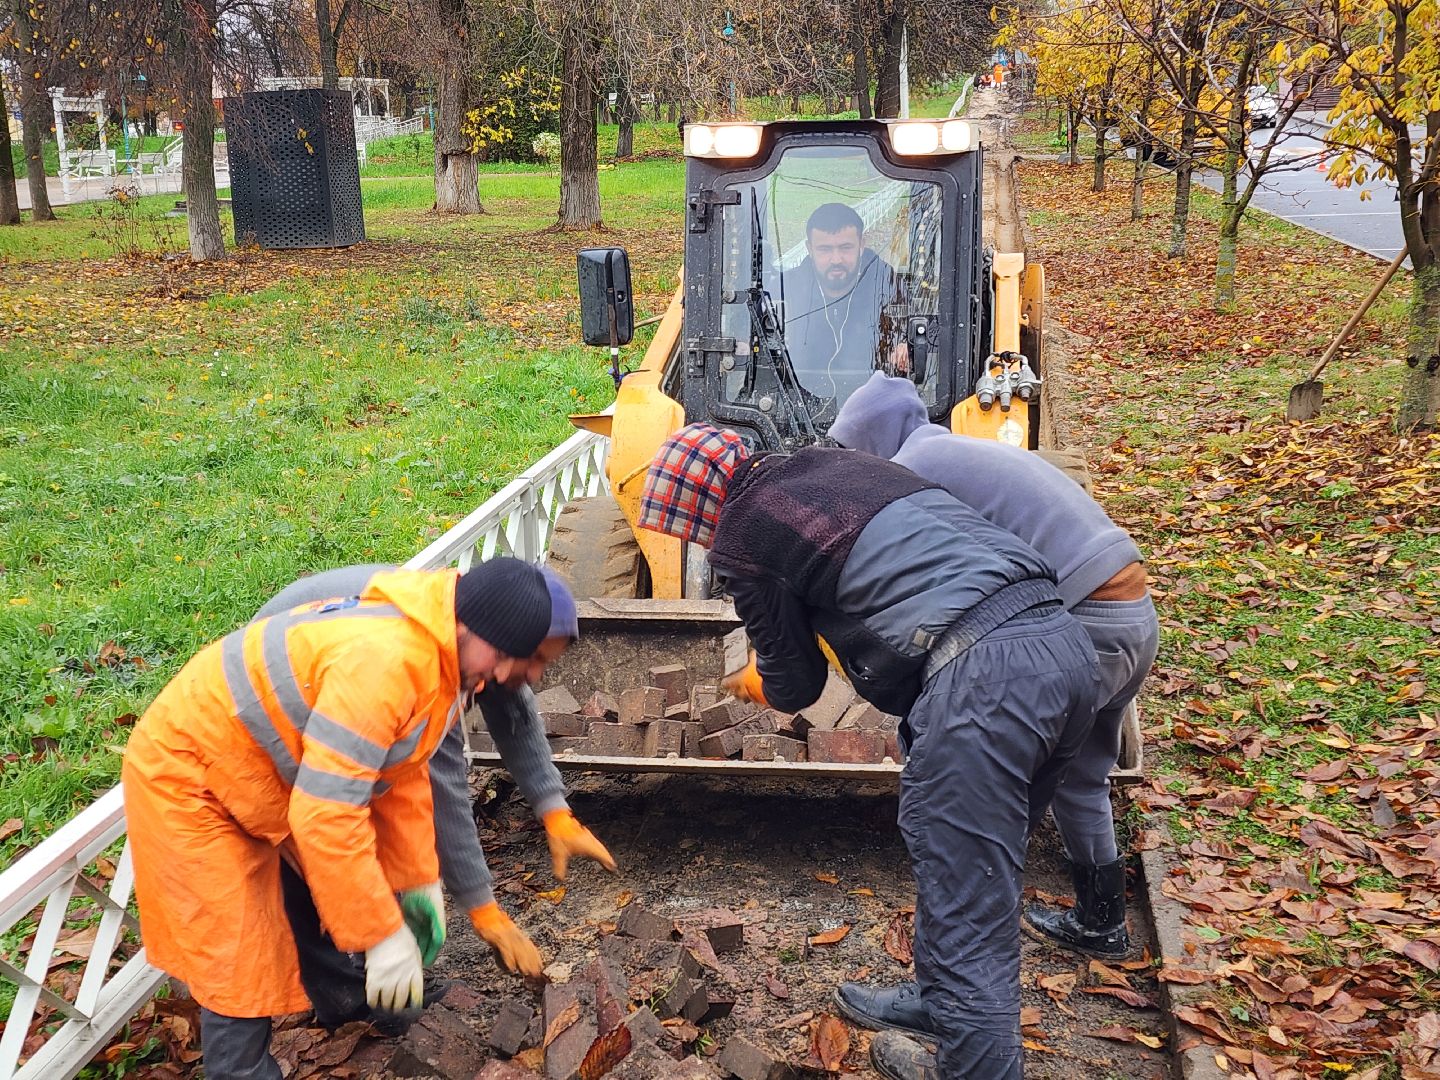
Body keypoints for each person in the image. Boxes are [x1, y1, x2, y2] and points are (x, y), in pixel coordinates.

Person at [636, 424, 1101, 1080]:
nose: (699, 538)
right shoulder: (834, 468)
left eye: (689, 524)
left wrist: (757, 680)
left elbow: (796, 682)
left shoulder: (742, 530)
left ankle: (972, 1064)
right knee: (966, 877)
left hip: (985, 682)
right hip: (1065, 650)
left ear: (700, 506)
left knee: (970, 915)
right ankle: (940, 1007)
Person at [122, 558, 604, 1080]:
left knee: (310, 894)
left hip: (260, 772)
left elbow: (402, 781)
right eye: (519, 657)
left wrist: (417, 883)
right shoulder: (387, 663)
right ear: (473, 627)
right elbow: (328, 813)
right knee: (239, 958)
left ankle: (355, 1001)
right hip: (192, 778)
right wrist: (380, 932)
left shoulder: (439, 659)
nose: (515, 676)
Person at [826, 373, 1159, 1061]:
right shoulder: (956, 449)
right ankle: (1100, 920)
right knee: (1080, 777)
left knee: (964, 818)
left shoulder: (915, 471)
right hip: (1128, 613)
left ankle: (945, 999)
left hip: (1077, 619)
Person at [250, 563, 616, 1037]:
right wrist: (481, 907)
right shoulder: (422, 664)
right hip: (285, 689)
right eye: (536, 660)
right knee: (313, 835)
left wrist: (555, 811)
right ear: (504, 637)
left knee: (361, 825)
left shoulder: (481, 643)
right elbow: (439, 786)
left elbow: (514, 708)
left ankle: (372, 980)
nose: (537, 676)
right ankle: (347, 995)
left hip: (336, 678)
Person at [778, 202, 906, 387]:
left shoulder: (889, 287)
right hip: (797, 403)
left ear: (861, 245)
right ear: (809, 248)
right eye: (825, 249)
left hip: (872, 403)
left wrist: (905, 346)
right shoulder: (784, 289)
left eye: (845, 248)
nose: (836, 259)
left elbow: (913, 338)